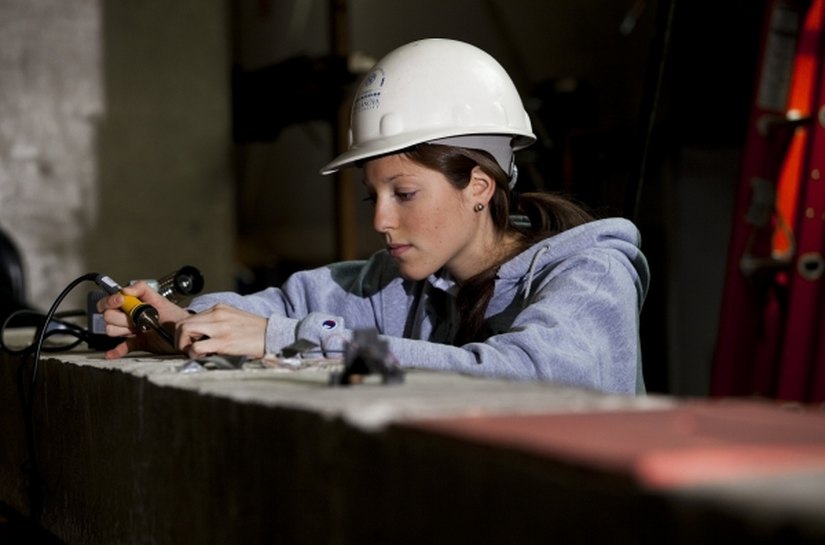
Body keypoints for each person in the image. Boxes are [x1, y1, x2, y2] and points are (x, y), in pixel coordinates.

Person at [98, 38, 650, 394]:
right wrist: (173, 321)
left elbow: (518, 376)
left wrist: (285, 337)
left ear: (479, 186)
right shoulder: (402, 286)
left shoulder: (591, 276)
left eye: (403, 193)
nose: (381, 220)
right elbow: (282, 308)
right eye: (373, 197)